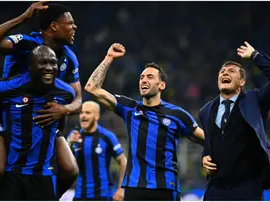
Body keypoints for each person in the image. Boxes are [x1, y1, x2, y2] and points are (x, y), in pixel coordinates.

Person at [0, 2, 81, 200]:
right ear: (54, 26)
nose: (75, 27)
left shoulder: (69, 58)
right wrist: (24, 17)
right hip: (5, 113)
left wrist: (64, 110)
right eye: (70, 23)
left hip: (42, 116)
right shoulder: (25, 43)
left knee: (70, 169)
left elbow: (77, 99)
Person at [84, 43, 205, 201]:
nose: (143, 80)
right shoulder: (129, 108)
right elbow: (91, 87)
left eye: (149, 77)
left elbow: (207, 140)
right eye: (141, 77)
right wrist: (109, 58)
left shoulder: (177, 115)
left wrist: (208, 156)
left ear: (161, 85)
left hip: (165, 188)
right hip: (135, 188)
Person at [200, 41, 270, 200]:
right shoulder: (205, 111)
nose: (225, 73)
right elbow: (210, 143)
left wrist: (255, 56)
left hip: (247, 188)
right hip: (216, 188)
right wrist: (205, 157)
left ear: (242, 82)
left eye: (231, 71)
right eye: (222, 71)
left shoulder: (255, 100)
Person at [67, 101, 127, 201]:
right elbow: (63, 163)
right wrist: (69, 144)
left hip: (102, 195)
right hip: (80, 195)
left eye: (88, 113)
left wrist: (121, 189)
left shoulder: (107, 136)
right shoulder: (74, 136)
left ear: (96, 116)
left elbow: (123, 162)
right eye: (81, 113)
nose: (83, 116)